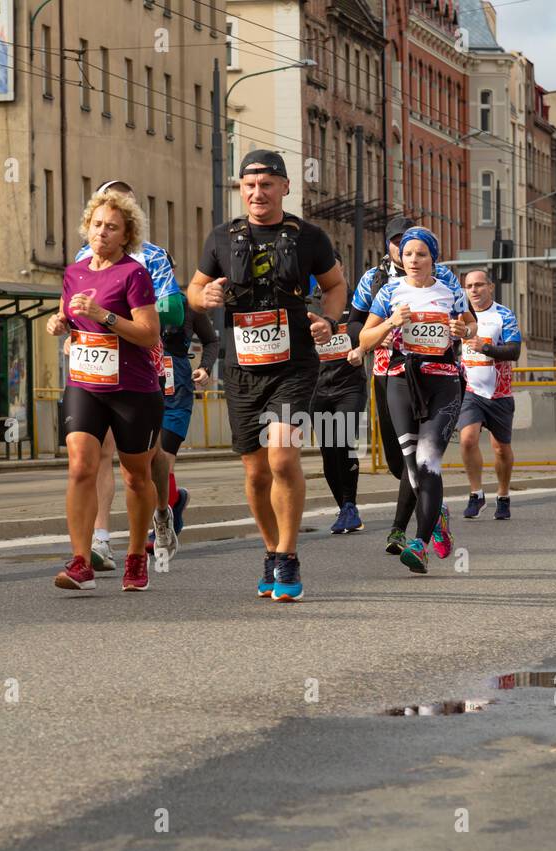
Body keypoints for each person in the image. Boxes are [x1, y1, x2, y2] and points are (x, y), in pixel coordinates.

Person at [186, 149, 346, 601]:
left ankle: (290, 556)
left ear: (285, 187)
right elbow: (194, 291)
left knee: (281, 457)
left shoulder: (309, 237)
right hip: (242, 367)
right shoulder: (221, 237)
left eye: (267, 184)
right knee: (256, 473)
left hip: (294, 364)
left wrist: (330, 322)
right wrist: (207, 295)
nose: (258, 192)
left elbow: (335, 286)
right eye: (250, 185)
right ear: (242, 189)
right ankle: (272, 551)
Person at [71, 180, 198, 571]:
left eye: (119, 212)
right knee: (91, 456)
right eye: (99, 220)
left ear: (130, 219)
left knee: (141, 463)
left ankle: (162, 509)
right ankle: (101, 542)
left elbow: (173, 313)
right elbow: (74, 305)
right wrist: (68, 323)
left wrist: (119, 312)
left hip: (142, 366)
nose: (104, 229)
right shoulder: (80, 258)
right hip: (92, 367)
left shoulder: (153, 257)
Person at [48, 190, 161, 591]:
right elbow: (71, 314)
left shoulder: (134, 274)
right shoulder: (74, 272)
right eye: (97, 225)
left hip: (133, 388)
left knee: (135, 476)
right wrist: (60, 323)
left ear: (126, 234)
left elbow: (149, 335)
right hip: (85, 383)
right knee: (80, 466)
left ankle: (134, 556)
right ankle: (81, 562)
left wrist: (105, 316)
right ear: (87, 227)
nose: (102, 232)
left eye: (112, 227)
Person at [358, 227, 475, 573]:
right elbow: (365, 338)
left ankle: (419, 544)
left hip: (442, 382)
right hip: (400, 381)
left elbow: (472, 328)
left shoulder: (449, 291)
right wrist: (391, 323)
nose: (413, 260)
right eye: (408, 254)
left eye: (421, 254)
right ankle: (438, 516)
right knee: (411, 469)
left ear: (433, 259)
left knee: (428, 462)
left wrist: (462, 331)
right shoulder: (389, 292)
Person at [310, 255, 368, 534]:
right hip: (317, 388)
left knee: (343, 439)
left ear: (341, 270)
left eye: (333, 267)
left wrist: (362, 349)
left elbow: (371, 332)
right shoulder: (307, 303)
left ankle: (350, 505)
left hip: (349, 386)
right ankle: (343, 507)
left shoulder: (356, 301)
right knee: (328, 451)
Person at [457, 269, 522, 519]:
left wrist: (485, 347)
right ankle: (476, 494)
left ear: (490, 287)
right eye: (469, 286)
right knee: (467, 439)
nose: (474, 290)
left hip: (499, 393)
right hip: (471, 391)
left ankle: (503, 495)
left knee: (500, 449)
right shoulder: (460, 316)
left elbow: (514, 351)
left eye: (479, 285)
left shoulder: (503, 315)